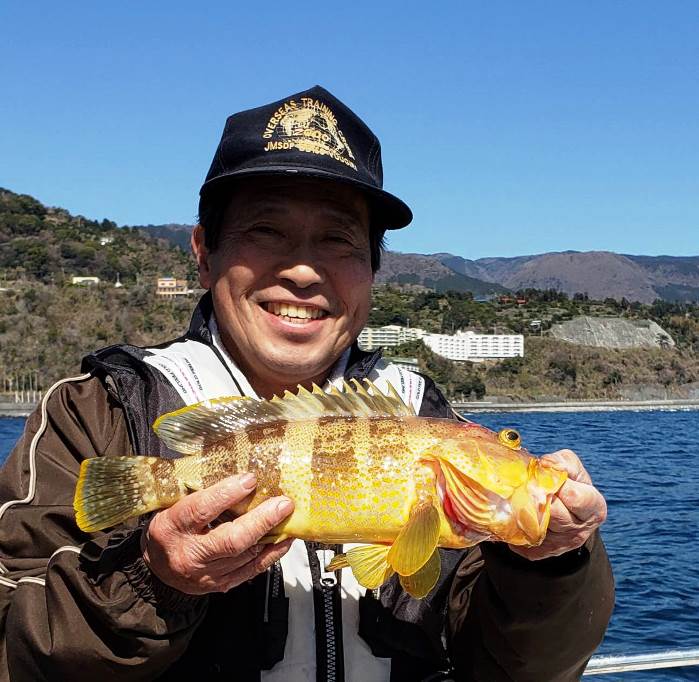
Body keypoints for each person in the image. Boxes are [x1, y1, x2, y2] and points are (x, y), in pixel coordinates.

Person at [0, 86, 613, 681]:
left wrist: (551, 565)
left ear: (373, 268)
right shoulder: (100, 409)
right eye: (265, 232)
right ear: (204, 252)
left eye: (337, 240)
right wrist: (151, 581)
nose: (300, 269)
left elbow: (516, 669)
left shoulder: (421, 409)